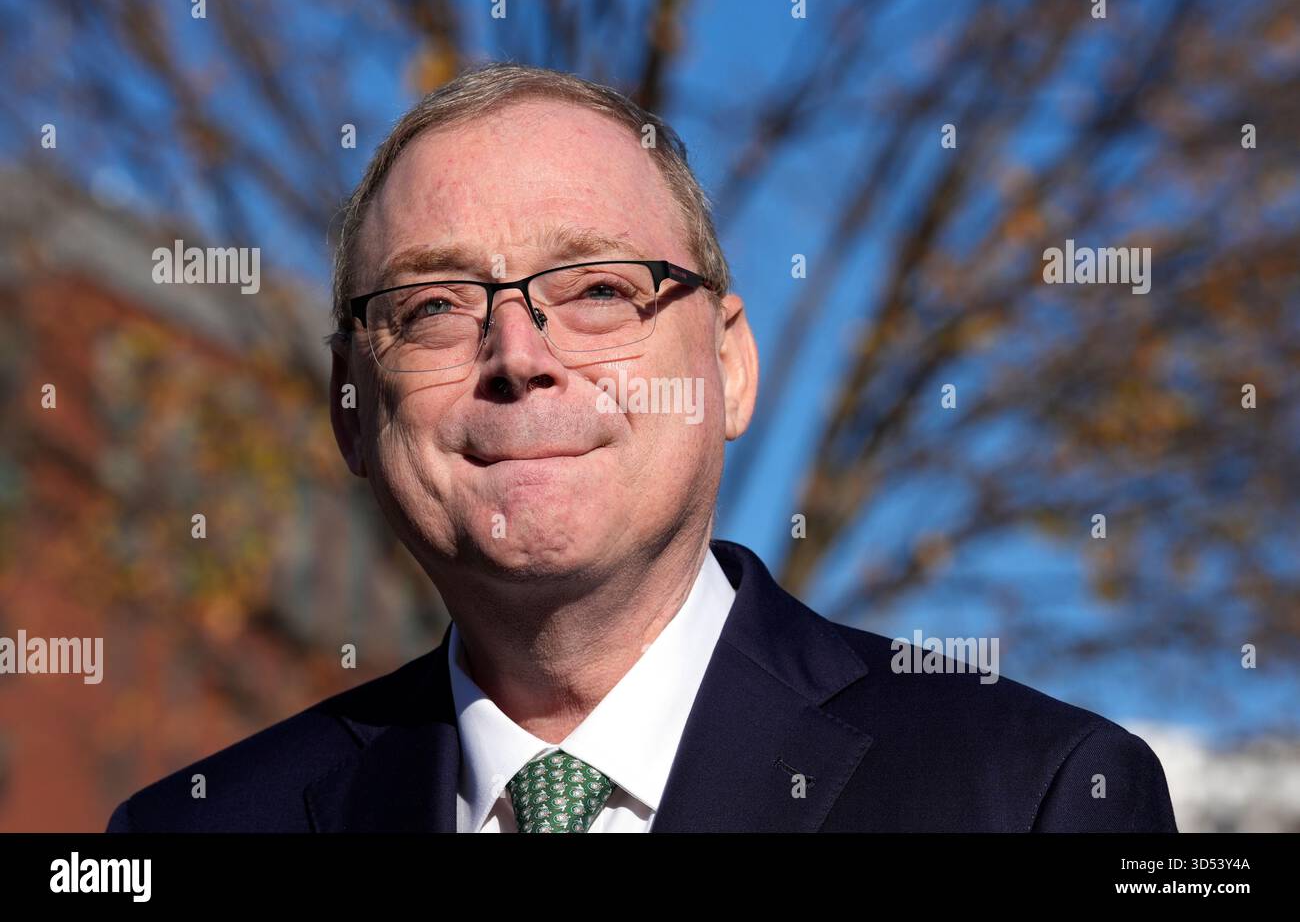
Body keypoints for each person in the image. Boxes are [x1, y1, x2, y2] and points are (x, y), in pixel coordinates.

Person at [106, 62, 1177, 833]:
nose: (518, 353)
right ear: (352, 408)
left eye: (602, 290)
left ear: (730, 366)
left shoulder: (1035, 796)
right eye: (433, 305)